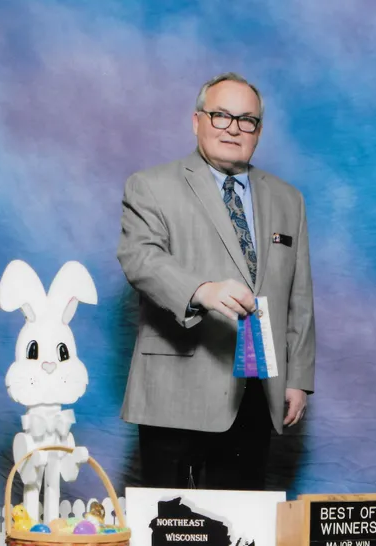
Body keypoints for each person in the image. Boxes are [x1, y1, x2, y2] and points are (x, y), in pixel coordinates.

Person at [118, 72, 315, 491]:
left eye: (247, 120)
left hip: (256, 391)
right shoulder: (151, 186)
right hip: (175, 388)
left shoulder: (288, 199)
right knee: (168, 534)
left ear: (258, 132)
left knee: (240, 536)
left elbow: (298, 296)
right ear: (197, 121)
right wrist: (200, 291)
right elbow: (139, 258)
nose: (233, 128)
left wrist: (297, 377)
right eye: (221, 116)